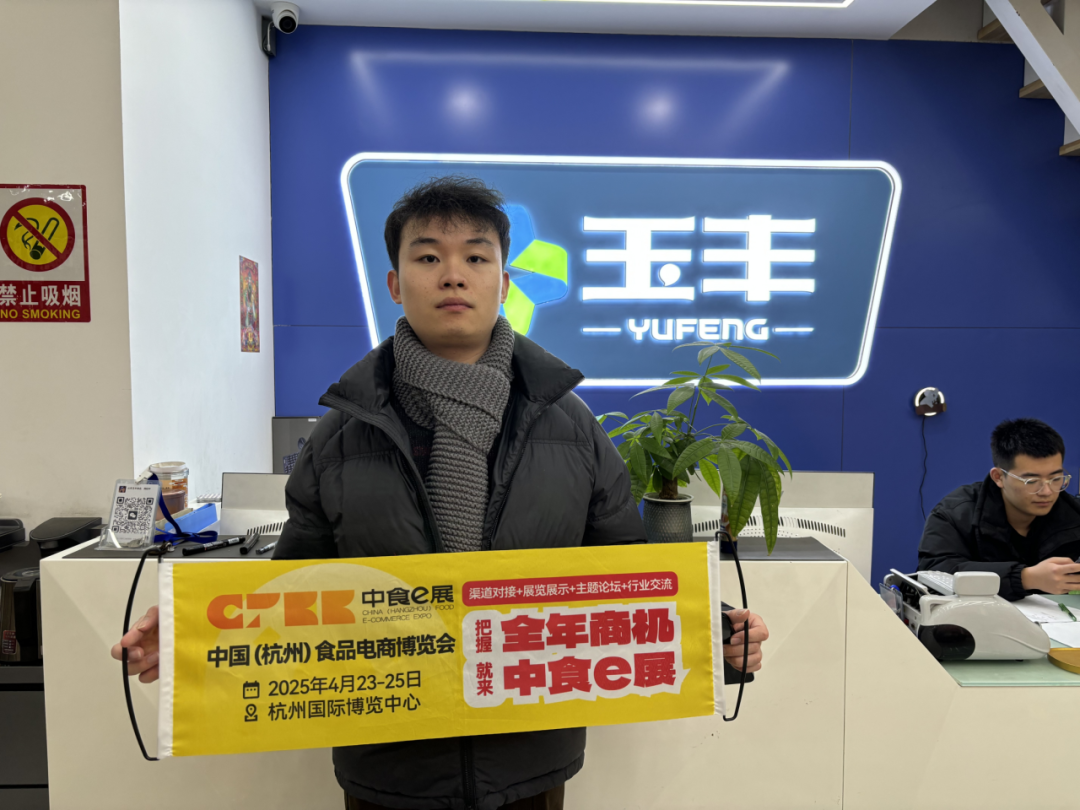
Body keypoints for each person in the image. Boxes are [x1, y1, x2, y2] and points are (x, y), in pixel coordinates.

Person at [113, 177, 770, 810]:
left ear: (503, 283)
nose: (453, 275)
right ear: (396, 284)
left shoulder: (571, 427)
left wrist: (715, 633)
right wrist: (194, 636)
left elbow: (627, 572)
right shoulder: (341, 436)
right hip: (388, 765)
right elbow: (295, 588)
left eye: (476, 257)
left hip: (527, 758)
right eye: (428, 257)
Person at [918, 417, 1080, 601]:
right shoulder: (955, 514)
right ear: (999, 477)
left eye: (1056, 478)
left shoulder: (1074, 513)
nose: (1047, 491)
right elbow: (933, 574)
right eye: (1031, 481)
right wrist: (1024, 578)